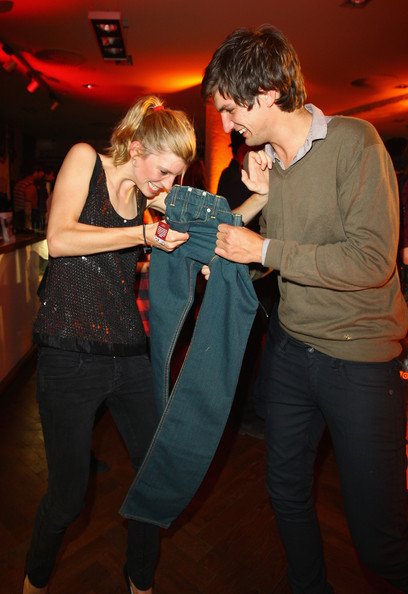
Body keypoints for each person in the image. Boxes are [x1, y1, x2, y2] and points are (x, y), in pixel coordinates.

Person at [202, 25, 408, 593]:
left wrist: (262, 247)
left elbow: (370, 262)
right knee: (285, 494)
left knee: (378, 540)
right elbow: (285, 260)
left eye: (228, 108)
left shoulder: (355, 142)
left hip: (360, 364)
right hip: (292, 352)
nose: (225, 126)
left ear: (266, 90)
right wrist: (232, 250)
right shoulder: (270, 167)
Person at [23, 95, 196, 594]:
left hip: (128, 355)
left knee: (154, 475)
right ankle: (34, 579)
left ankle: (139, 581)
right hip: (68, 354)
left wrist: (258, 199)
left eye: (175, 176)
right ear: (137, 147)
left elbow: (205, 225)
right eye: (163, 170)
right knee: (68, 496)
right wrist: (142, 233)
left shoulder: (149, 198)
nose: (167, 184)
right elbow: (59, 239)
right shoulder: (86, 160)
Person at [13, 164, 44, 232]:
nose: (42, 175)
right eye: (41, 173)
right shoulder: (30, 186)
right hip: (25, 217)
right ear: (35, 172)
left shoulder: (19, 183)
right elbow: (29, 206)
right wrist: (30, 224)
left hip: (17, 216)